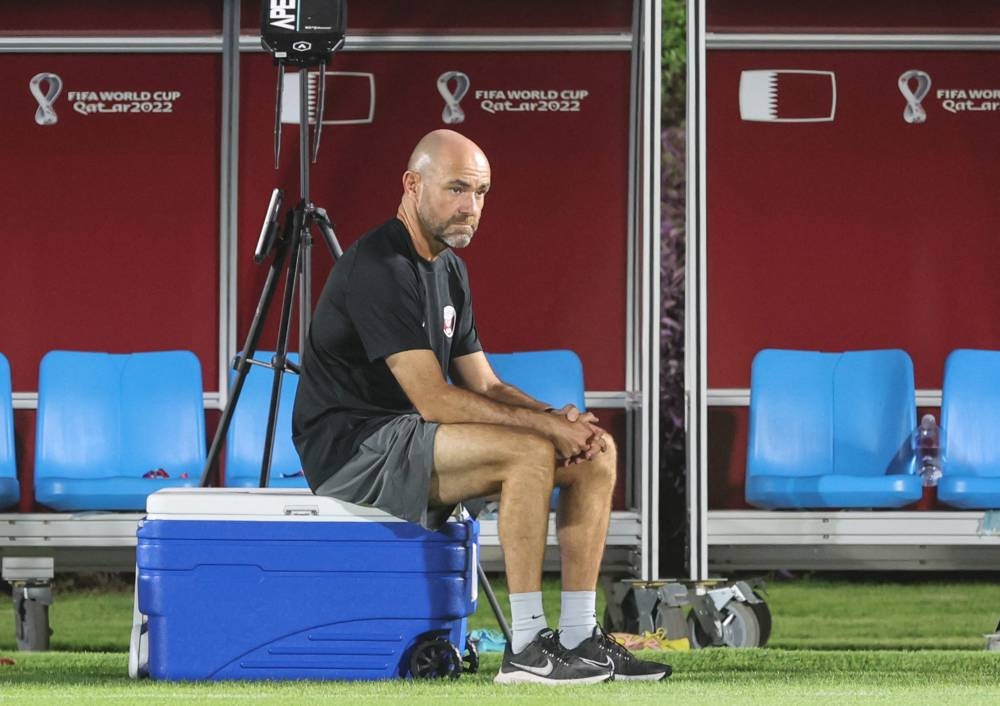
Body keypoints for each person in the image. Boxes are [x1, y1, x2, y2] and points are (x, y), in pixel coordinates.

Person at [292, 129, 671, 685]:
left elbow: (486, 385)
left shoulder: (449, 268)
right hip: (353, 449)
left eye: (481, 192)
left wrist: (559, 420)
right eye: (457, 189)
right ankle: (526, 648)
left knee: (599, 453)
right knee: (527, 454)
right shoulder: (380, 265)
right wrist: (542, 431)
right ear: (412, 185)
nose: (471, 207)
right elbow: (434, 398)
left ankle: (579, 635)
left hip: (411, 435)